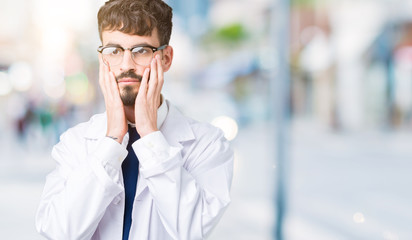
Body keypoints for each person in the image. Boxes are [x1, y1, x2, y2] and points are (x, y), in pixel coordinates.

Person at [35, 0, 234, 239]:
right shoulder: (75, 142)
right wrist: (110, 142)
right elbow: (59, 233)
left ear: (166, 58)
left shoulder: (208, 144)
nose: (126, 65)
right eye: (114, 51)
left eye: (141, 50)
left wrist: (151, 136)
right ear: (102, 59)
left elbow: (190, 231)